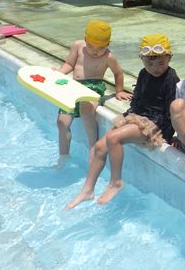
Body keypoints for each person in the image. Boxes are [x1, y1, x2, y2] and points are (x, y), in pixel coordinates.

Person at [66, 34, 179, 209]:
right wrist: (127, 118)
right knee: (99, 147)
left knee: (113, 138)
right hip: (137, 117)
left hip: (154, 123)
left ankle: (116, 182)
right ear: (142, 60)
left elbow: (170, 109)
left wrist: (168, 135)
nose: (155, 68)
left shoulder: (171, 78)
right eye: (149, 64)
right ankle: (87, 190)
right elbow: (138, 100)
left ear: (170, 58)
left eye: (161, 63)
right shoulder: (143, 74)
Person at [55, 20, 131, 168]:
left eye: (101, 48)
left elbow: (118, 73)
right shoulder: (78, 46)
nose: (95, 51)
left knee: (86, 109)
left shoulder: (109, 56)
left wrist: (119, 91)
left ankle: (93, 149)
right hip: (74, 87)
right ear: (85, 39)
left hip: (93, 88)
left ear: (108, 44)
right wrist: (60, 72)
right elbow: (69, 64)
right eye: (90, 46)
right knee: (62, 122)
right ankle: (63, 156)